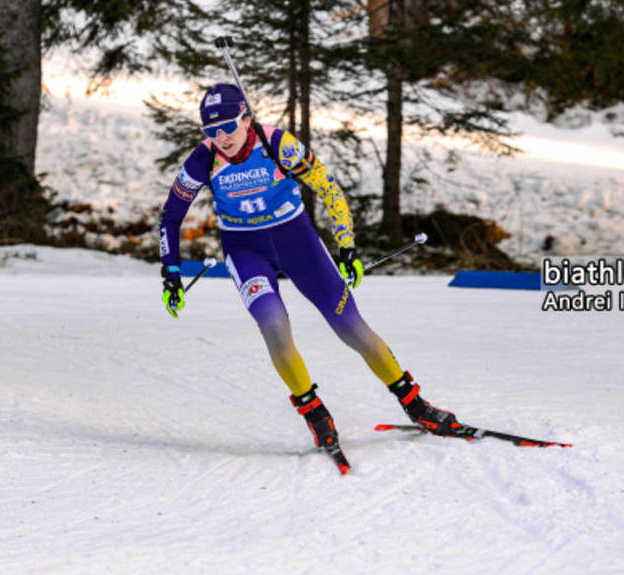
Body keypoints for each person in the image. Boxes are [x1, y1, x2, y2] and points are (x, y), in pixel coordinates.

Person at [158, 83, 459, 457]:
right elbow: (171, 216)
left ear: (246, 118)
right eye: (211, 131)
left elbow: (328, 187)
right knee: (273, 325)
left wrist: (346, 246)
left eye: (229, 127)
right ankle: (315, 413)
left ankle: (416, 405)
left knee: (351, 326)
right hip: (245, 249)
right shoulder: (202, 160)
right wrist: (170, 273)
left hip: (296, 240)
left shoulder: (277, 145)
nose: (222, 138)